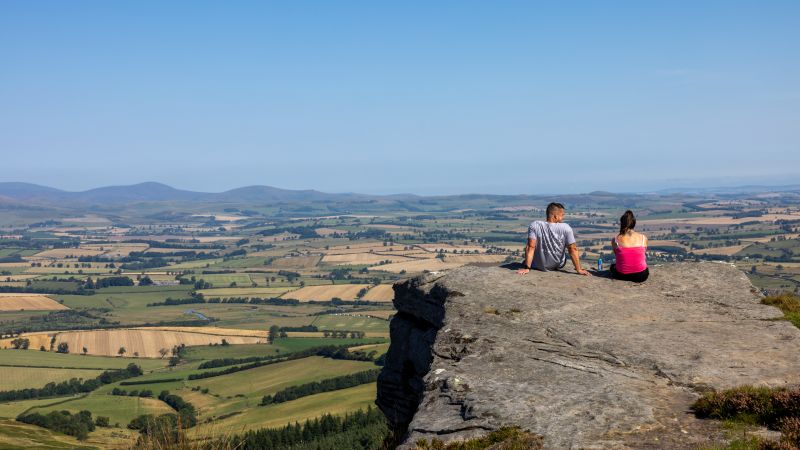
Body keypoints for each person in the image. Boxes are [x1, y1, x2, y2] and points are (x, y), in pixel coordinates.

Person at [517, 202, 591, 276]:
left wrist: (527, 268)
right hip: (558, 264)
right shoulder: (566, 228)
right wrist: (579, 269)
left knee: (526, 258)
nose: (563, 217)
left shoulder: (535, 225)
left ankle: (528, 264)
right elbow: (573, 249)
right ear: (555, 216)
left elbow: (530, 247)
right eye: (562, 215)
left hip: (537, 265)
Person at [610, 210, 649, 282]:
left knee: (612, 267)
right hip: (641, 276)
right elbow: (642, 254)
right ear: (634, 223)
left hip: (621, 275)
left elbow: (618, 256)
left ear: (622, 223)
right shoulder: (644, 238)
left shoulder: (615, 240)